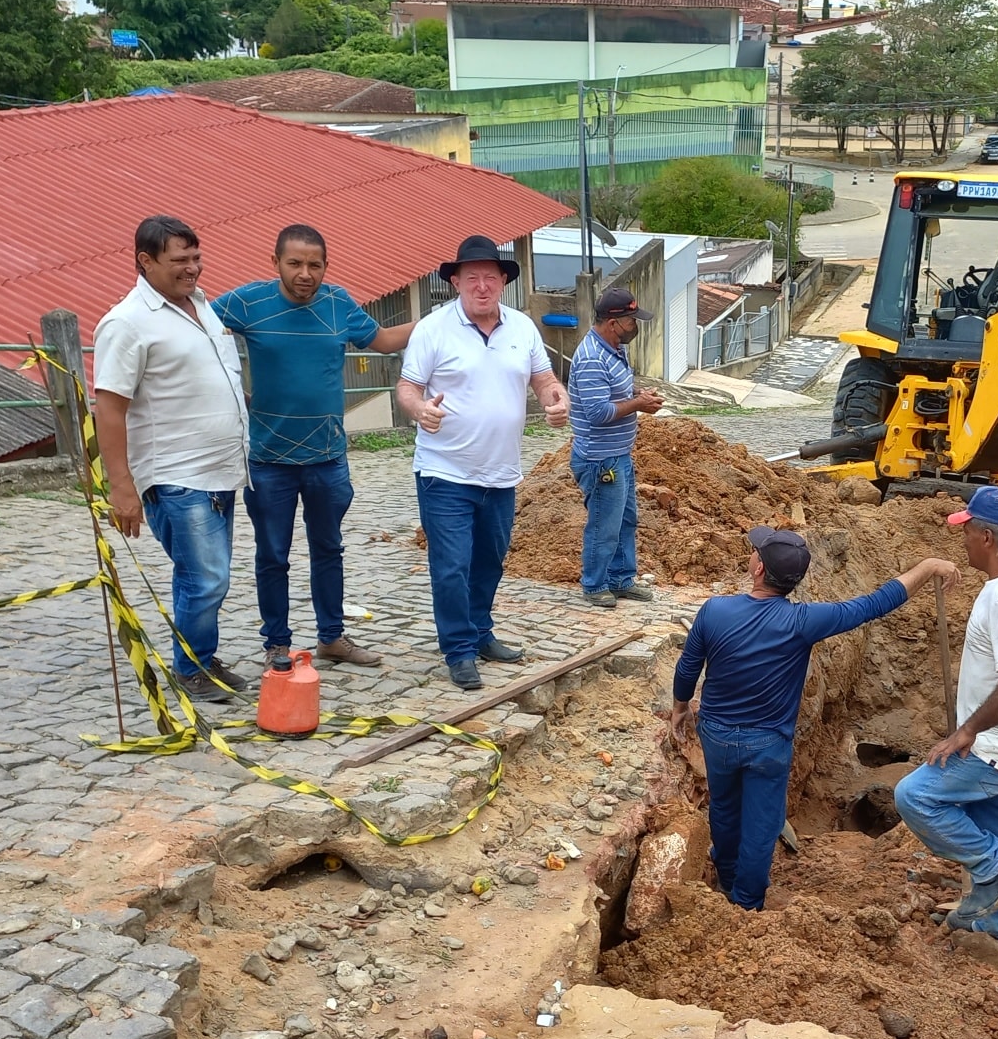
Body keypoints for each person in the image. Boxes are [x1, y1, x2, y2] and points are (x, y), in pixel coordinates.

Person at [667, 529, 957, 911]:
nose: (752, 554)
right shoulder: (804, 620)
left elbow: (688, 666)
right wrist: (925, 567)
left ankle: (726, 881)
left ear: (758, 569)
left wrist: (679, 707)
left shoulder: (715, 610)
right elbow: (875, 604)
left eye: (755, 552)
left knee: (724, 808)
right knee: (761, 825)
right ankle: (747, 903)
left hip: (717, 735)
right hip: (767, 744)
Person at [211, 225, 414, 674]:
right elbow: (197, 330)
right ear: (276, 263)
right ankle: (276, 644)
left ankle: (332, 638)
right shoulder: (247, 303)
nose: (305, 274)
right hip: (269, 461)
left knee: (329, 548)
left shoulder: (338, 303)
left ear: (326, 266)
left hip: (328, 459)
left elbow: (381, 341)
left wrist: (446, 319)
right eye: (295, 264)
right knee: (272, 555)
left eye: (314, 265)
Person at [895, 486, 998, 960]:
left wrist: (968, 730)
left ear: (987, 536)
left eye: (967, 531)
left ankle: (994, 870)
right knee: (996, 832)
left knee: (915, 796)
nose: (963, 539)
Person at [395, 234, 569, 691]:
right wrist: (419, 411)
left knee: (490, 560)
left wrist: (557, 403)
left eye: (491, 278)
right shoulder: (433, 329)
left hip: (501, 473)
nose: (482, 286)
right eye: (472, 278)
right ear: (455, 281)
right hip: (444, 470)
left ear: (503, 283)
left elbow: (546, 380)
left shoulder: (523, 328)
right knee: (451, 564)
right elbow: (407, 389)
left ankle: (480, 631)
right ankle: (458, 650)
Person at [93, 215, 251, 704]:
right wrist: (121, 486)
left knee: (209, 575)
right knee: (205, 576)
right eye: (179, 261)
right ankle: (191, 667)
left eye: (196, 258)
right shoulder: (127, 322)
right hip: (176, 473)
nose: (192, 269)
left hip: (220, 469)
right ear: (145, 261)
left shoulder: (204, 308)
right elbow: (109, 407)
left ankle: (201, 657)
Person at [567, 287, 665, 607]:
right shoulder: (592, 358)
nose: (635, 326)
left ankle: (621, 579)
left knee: (625, 520)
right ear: (613, 323)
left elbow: (617, 389)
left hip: (618, 454)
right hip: (600, 459)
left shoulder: (614, 349)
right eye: (631, 321)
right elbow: (598, 413)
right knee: (604, 525)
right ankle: (594, 585)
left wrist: (638, 394)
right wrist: (638, 404)